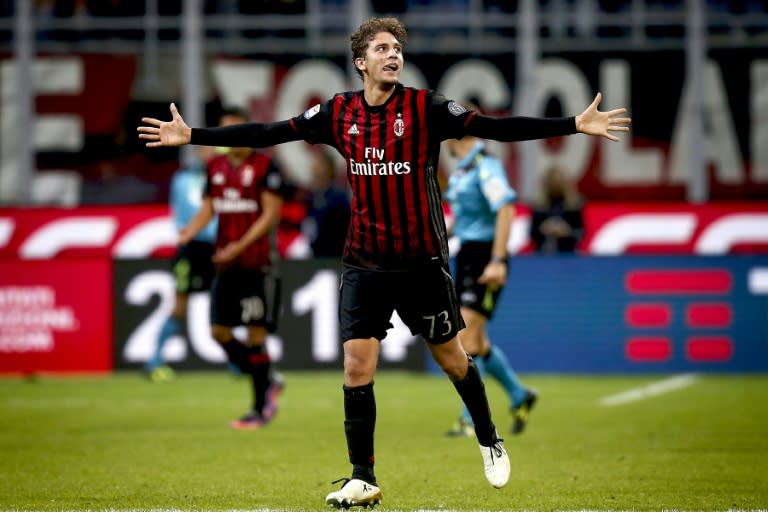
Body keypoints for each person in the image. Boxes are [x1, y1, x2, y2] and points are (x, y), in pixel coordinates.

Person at [138, 16, 630, 507]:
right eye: (381, 48)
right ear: (361, 62)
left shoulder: (427, 107)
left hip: (421, 264)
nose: (393, 54)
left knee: (454, 360)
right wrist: (195, 137)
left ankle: (489, 437)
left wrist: (571, 124)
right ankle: (362, 475)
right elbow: (271, 132)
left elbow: (493, 129)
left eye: (396, 48)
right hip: (364, 263)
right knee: (356, 365)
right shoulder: (338, 113)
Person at [176, 107, 285, 430]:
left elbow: (271, 215)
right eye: (225, 131)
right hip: (227, 264)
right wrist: (188, 232)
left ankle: (259, 409)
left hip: (256, 263)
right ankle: (268, 381)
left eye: (236, 130)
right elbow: (210, 207)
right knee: (219, 332)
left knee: (255, 335)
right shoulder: (216, 167)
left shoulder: (266, 166)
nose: (230, 137)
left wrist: (238, 247)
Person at [443, 129, 537, 438]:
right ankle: (519, 395)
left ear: (457, 136)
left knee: (466, 341)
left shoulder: (486, 166)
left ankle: (469, 419)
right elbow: (465, 219)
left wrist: (497, 260)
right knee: (478, 343)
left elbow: (506, 209)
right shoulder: (464, 170)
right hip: (468, 256)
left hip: (486, 258)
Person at [144, 145, 217, 382]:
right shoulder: (183, 179)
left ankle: (238, 363)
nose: (206, 153)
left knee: (226, 304)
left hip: (218, 248)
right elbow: (180, 213)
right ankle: (154, 361)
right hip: (190, 248)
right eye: (202, 149)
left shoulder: (223, 176)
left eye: (211, 149)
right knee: (179, 306)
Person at [302, 148, 351, 258]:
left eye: (319, 164)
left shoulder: (337, 195)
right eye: (314, 164)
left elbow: (343, 226)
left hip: (333, 252)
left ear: (328, 168)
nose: (314, 168)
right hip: (312, 249)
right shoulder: (309, 194)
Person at [529, 165, 585, 253]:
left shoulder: (573, 206)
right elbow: (532, 234)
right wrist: (543, 229)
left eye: (558, 182)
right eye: (552, 182)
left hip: (568, 252)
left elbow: (580, 233)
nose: (555, 185)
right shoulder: (539, 207)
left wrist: (566, 231)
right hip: (542, 252)